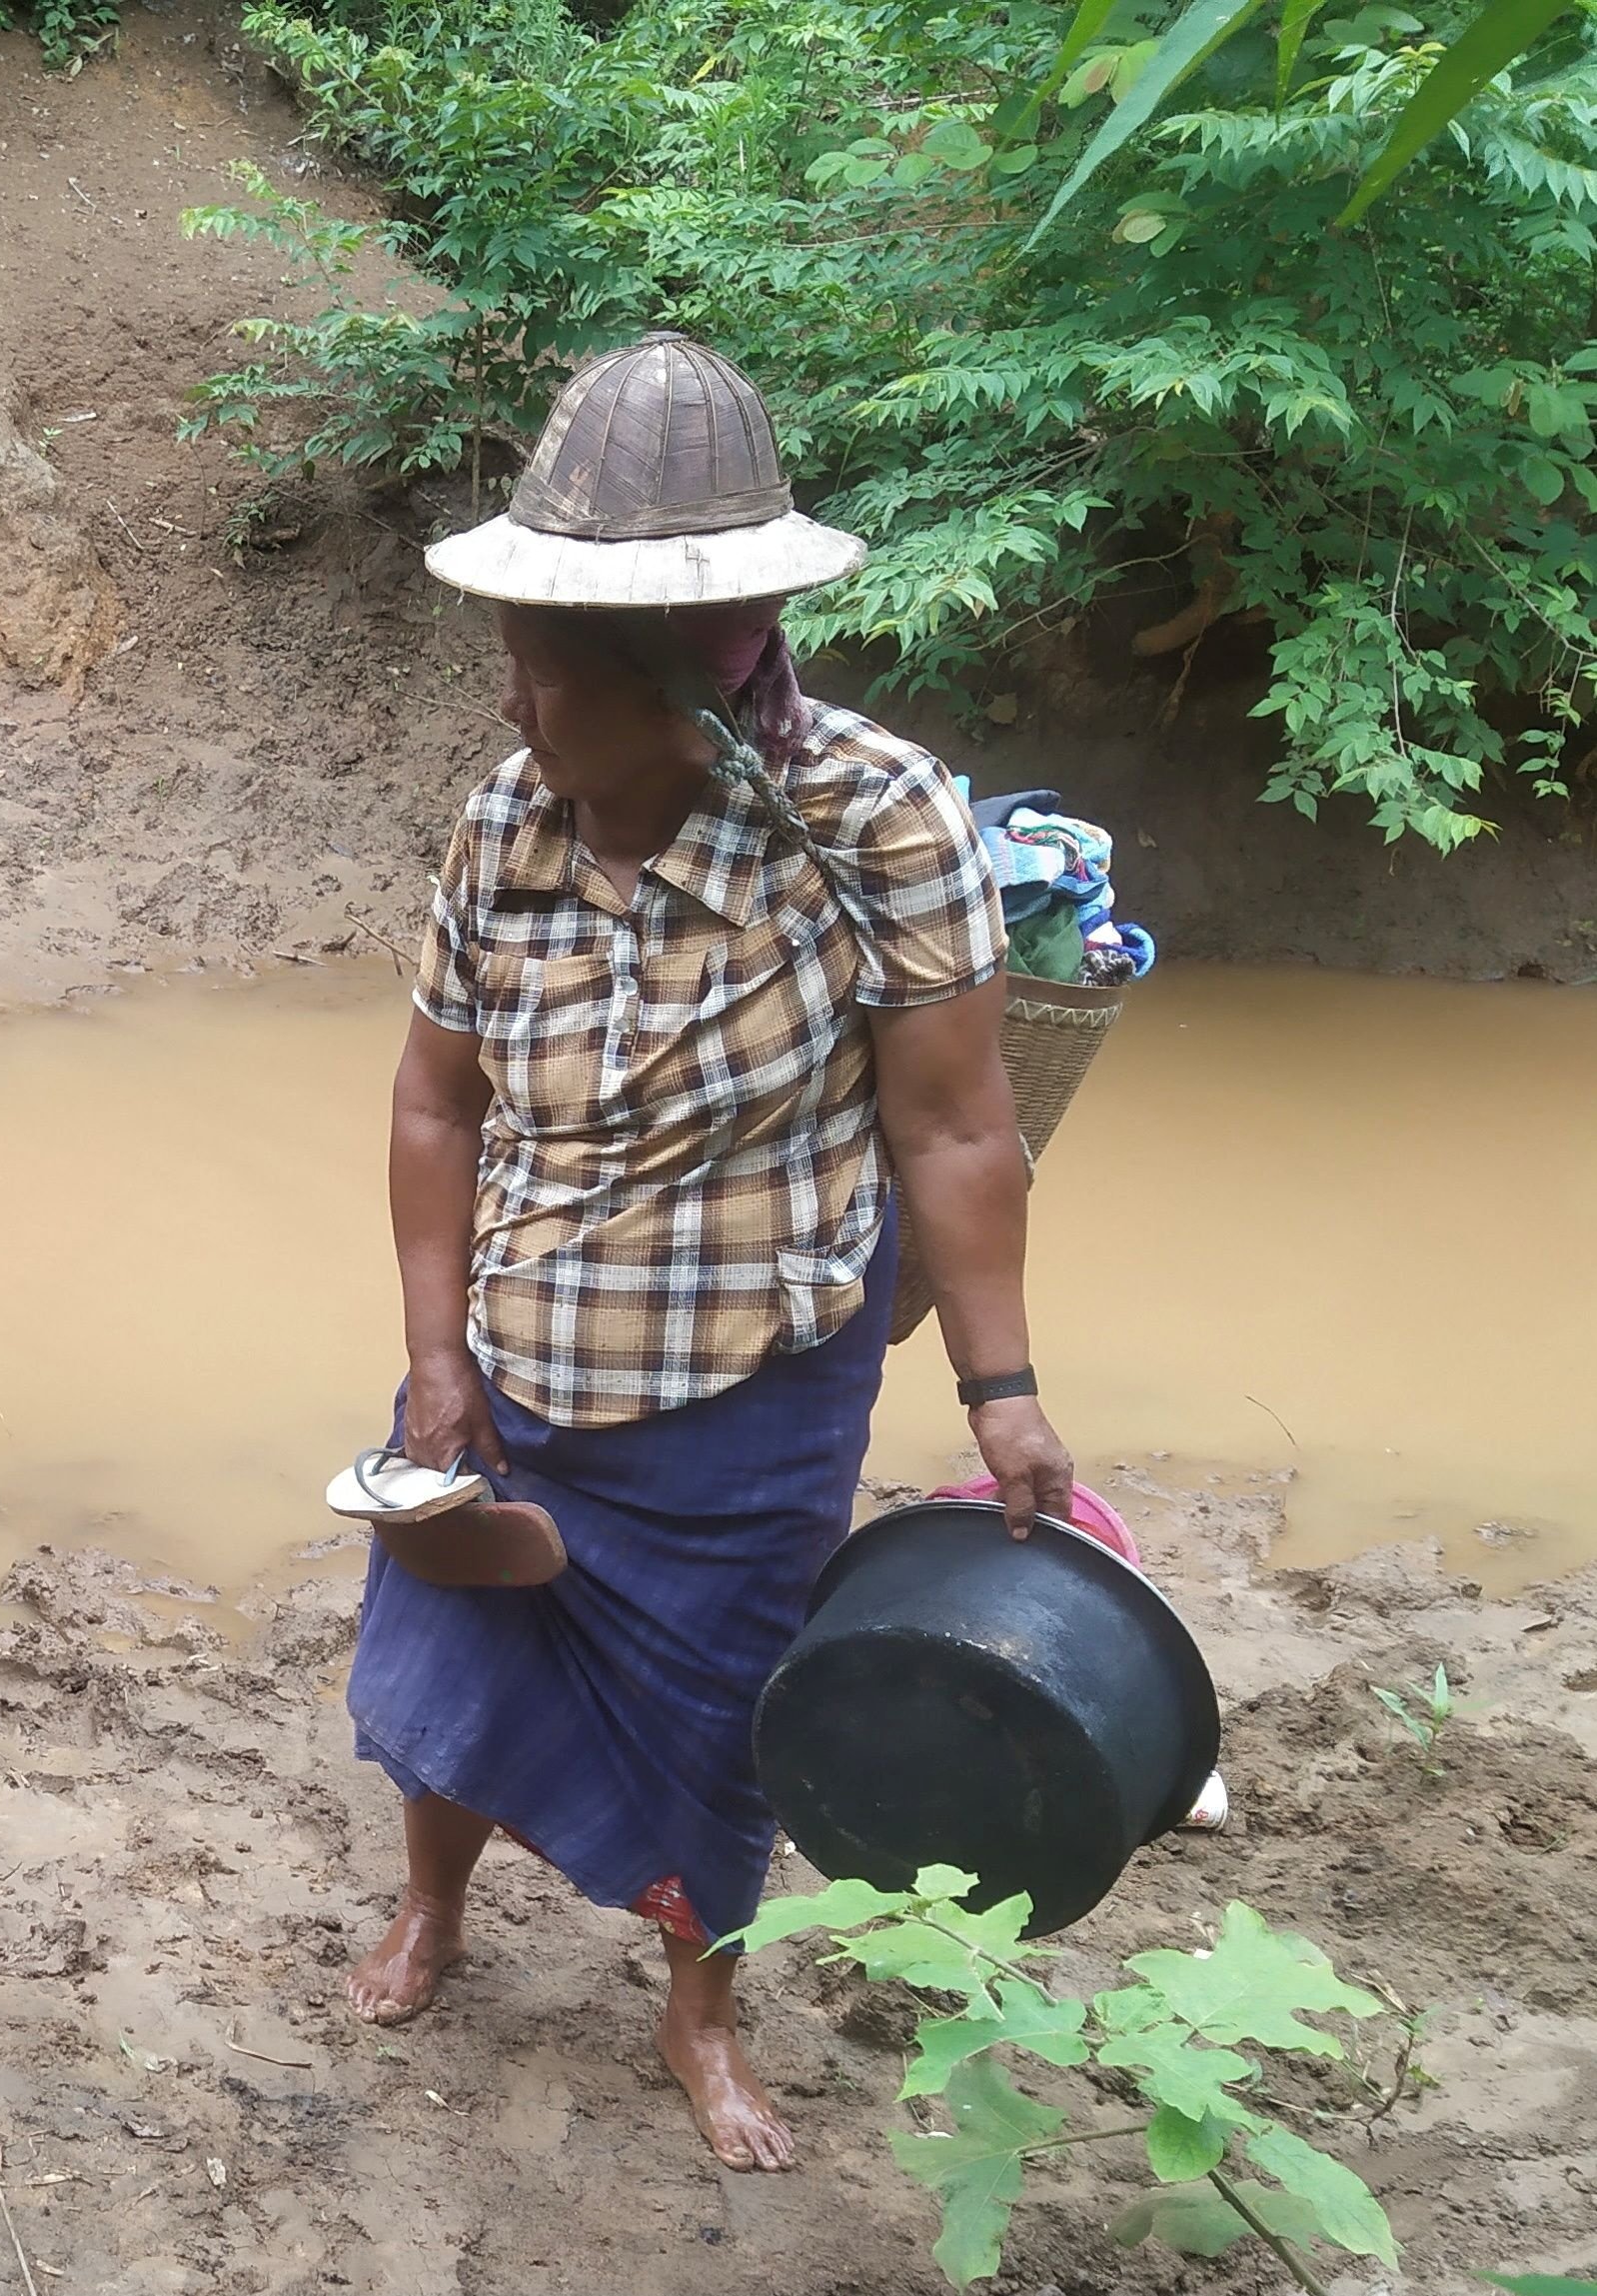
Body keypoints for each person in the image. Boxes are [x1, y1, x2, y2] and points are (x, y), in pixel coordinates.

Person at [340, 336, 1077, 2171]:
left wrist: (1003, 1393)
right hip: (509, 1351)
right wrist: (437, 1356)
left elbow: (957, 1126)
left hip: (753, 1384)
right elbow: (435, 1105)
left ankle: (700, 2010)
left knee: (717, 1721)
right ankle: (435, 1907)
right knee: (455, 1653)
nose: (517, 705)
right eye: (508, 656)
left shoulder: (879, 824)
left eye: (553, 672)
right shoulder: (503, 823)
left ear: (699, 675)